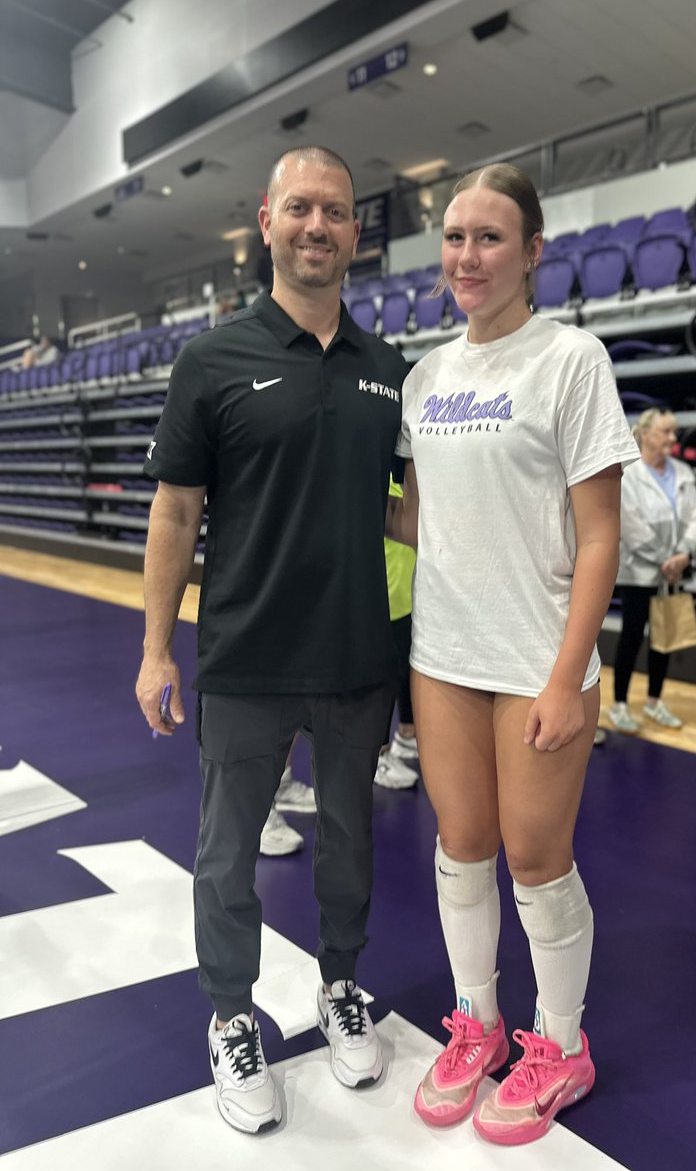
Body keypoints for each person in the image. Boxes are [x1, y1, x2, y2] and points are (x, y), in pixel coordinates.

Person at [135, 146, 407, 1134]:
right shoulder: (212, 359)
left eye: (335, 212)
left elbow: (408, 520)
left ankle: (341, 984)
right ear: (266, 220)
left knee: (349, 846)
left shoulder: (389, 373)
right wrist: (158, 648)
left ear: (355, 233)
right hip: (244, 657)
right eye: (301, 209)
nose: (318, 227)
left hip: (354, 661)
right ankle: (230, 1016)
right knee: (226, 857)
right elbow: (174, 513)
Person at [386, 162, 638, 1145]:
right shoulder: (425, 377)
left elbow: (602, 534)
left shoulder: (570, 361)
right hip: (444, 654)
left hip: (538, 656)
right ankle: (478, 1026)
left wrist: (570, 676)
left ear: (532, 252)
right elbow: (415, 519)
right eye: (454, 236)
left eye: (489, 237)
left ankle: (560, 1044)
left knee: (537, 858)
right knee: (461, 845)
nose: (467, 255)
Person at [607, 408, 696, 735]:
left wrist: (683, 554)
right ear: (646, 434)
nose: (672, 439)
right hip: (641, 572)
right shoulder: (627, 473)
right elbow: (630, 525)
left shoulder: (682, 472)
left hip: (672, 571)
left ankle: (654, 701)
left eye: (673, 433)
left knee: (664, 639)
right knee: (632, 637)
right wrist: (667, 558)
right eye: (665, 432)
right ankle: (619, 704)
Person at [374, 472, 420, 790]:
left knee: (403, 669)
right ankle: (377, 757)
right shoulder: (375, 479)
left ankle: (406, 736)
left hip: (404, 595)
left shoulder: (404, 475)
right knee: (381, 682)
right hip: (380, 597)